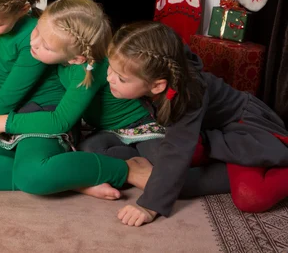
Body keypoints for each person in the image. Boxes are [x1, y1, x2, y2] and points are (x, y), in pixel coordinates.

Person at [0, 0, 152, 196]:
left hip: (41, 115)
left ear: (23, 9)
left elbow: (9, 100)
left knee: (31, 176)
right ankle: (68, 176)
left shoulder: (40, 38)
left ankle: (125, 169)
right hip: (3, 118)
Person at [0, 0, 161, 199]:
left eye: (46, 46)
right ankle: (126, 164)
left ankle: (146, 165)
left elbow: (60, 120)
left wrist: (5, 122)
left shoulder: (88, 68)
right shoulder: (60, 48)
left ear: (76, 58)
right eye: (37, 30)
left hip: (138, 124)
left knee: (167, 175)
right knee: (86, 153)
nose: (34, 43)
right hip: (103, 131)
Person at [104, 21, 288, 227]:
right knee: (164, 162)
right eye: (109, 68)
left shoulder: (187, 94)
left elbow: (176, 150)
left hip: (245, 130)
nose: (109, 77)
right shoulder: (158, 67)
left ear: (157, 85)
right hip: (207, 132)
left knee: (250, 196)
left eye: (120, 77)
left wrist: (149, 205)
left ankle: (258, 162)